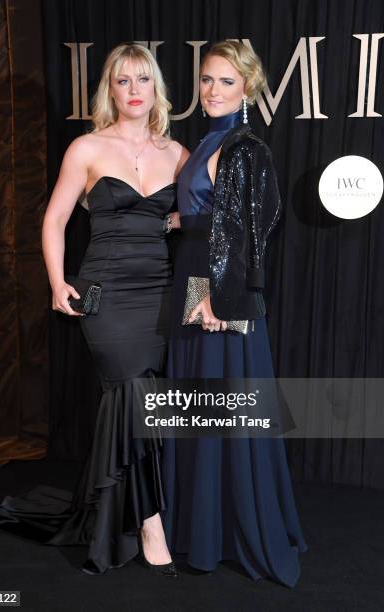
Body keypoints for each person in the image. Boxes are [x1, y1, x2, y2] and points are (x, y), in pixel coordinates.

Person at [0, 43, 188, 577]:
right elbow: (53, 221)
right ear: (110, 89)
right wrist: (56, 282)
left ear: (156, 88)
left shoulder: (177, 153)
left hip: (160, 295)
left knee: (148, 401)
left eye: (143, 79)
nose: (135, 90)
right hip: (108, 294)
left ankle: (127, 508)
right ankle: (150, 525)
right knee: (132, 393)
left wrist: (177, 225)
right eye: (123, 81)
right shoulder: (87, 148)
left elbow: (194, 226)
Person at [160, 40, 307, 587]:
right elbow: (211, 214)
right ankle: (201, 527)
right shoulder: (204, 143)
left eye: (225, 81)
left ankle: (227, 530)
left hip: (218, 290)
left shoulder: (247, 147)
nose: (212, 90)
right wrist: (180, 221)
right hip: (195, 276)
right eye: (205, 79)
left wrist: (221, 299)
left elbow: (253, 233)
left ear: (247, 87)